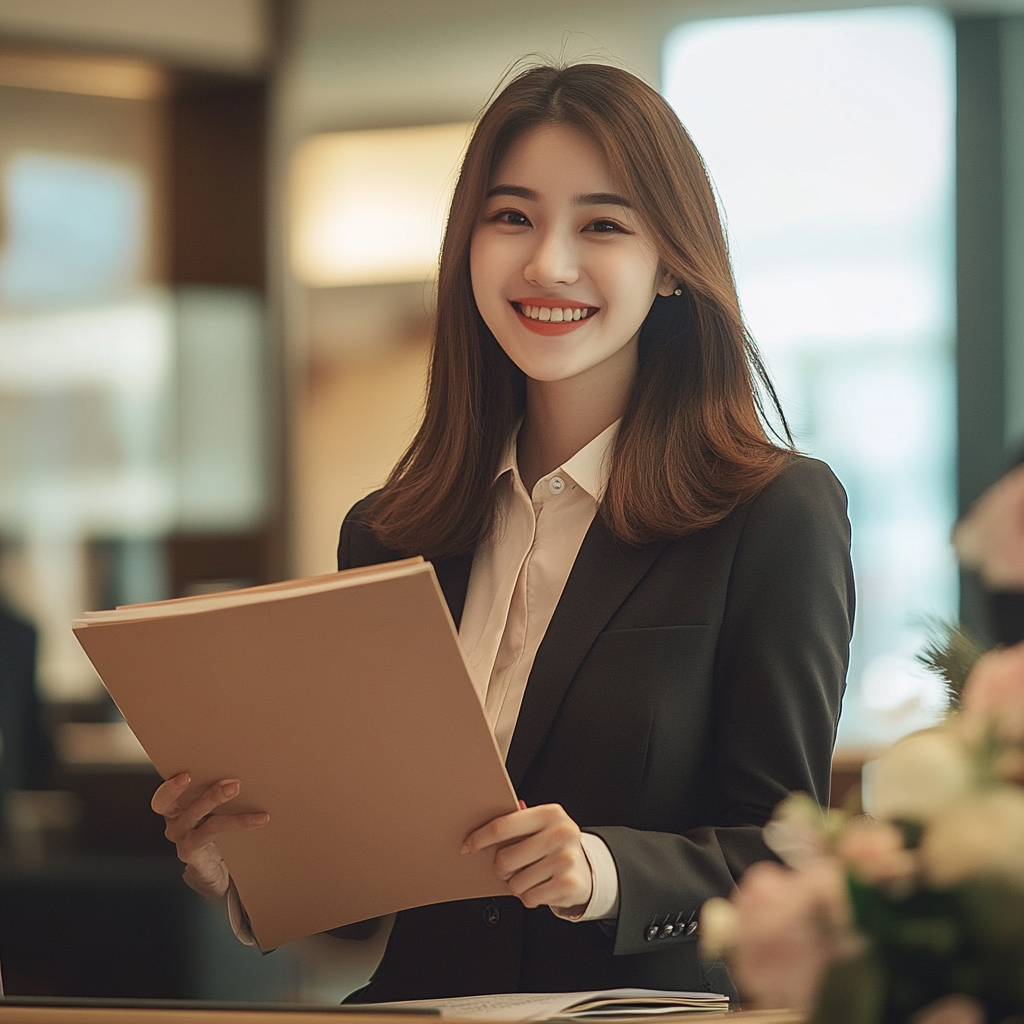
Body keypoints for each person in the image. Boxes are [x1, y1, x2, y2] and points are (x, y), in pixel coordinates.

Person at [152, 62, 854, 1001]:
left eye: (602, 225)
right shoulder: (390, 533)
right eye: (512, 217)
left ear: (675, 265)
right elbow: (365, 896)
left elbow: (786, 850)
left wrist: (599, 870)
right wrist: (239, 864)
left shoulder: (775, 513)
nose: (548, 263)